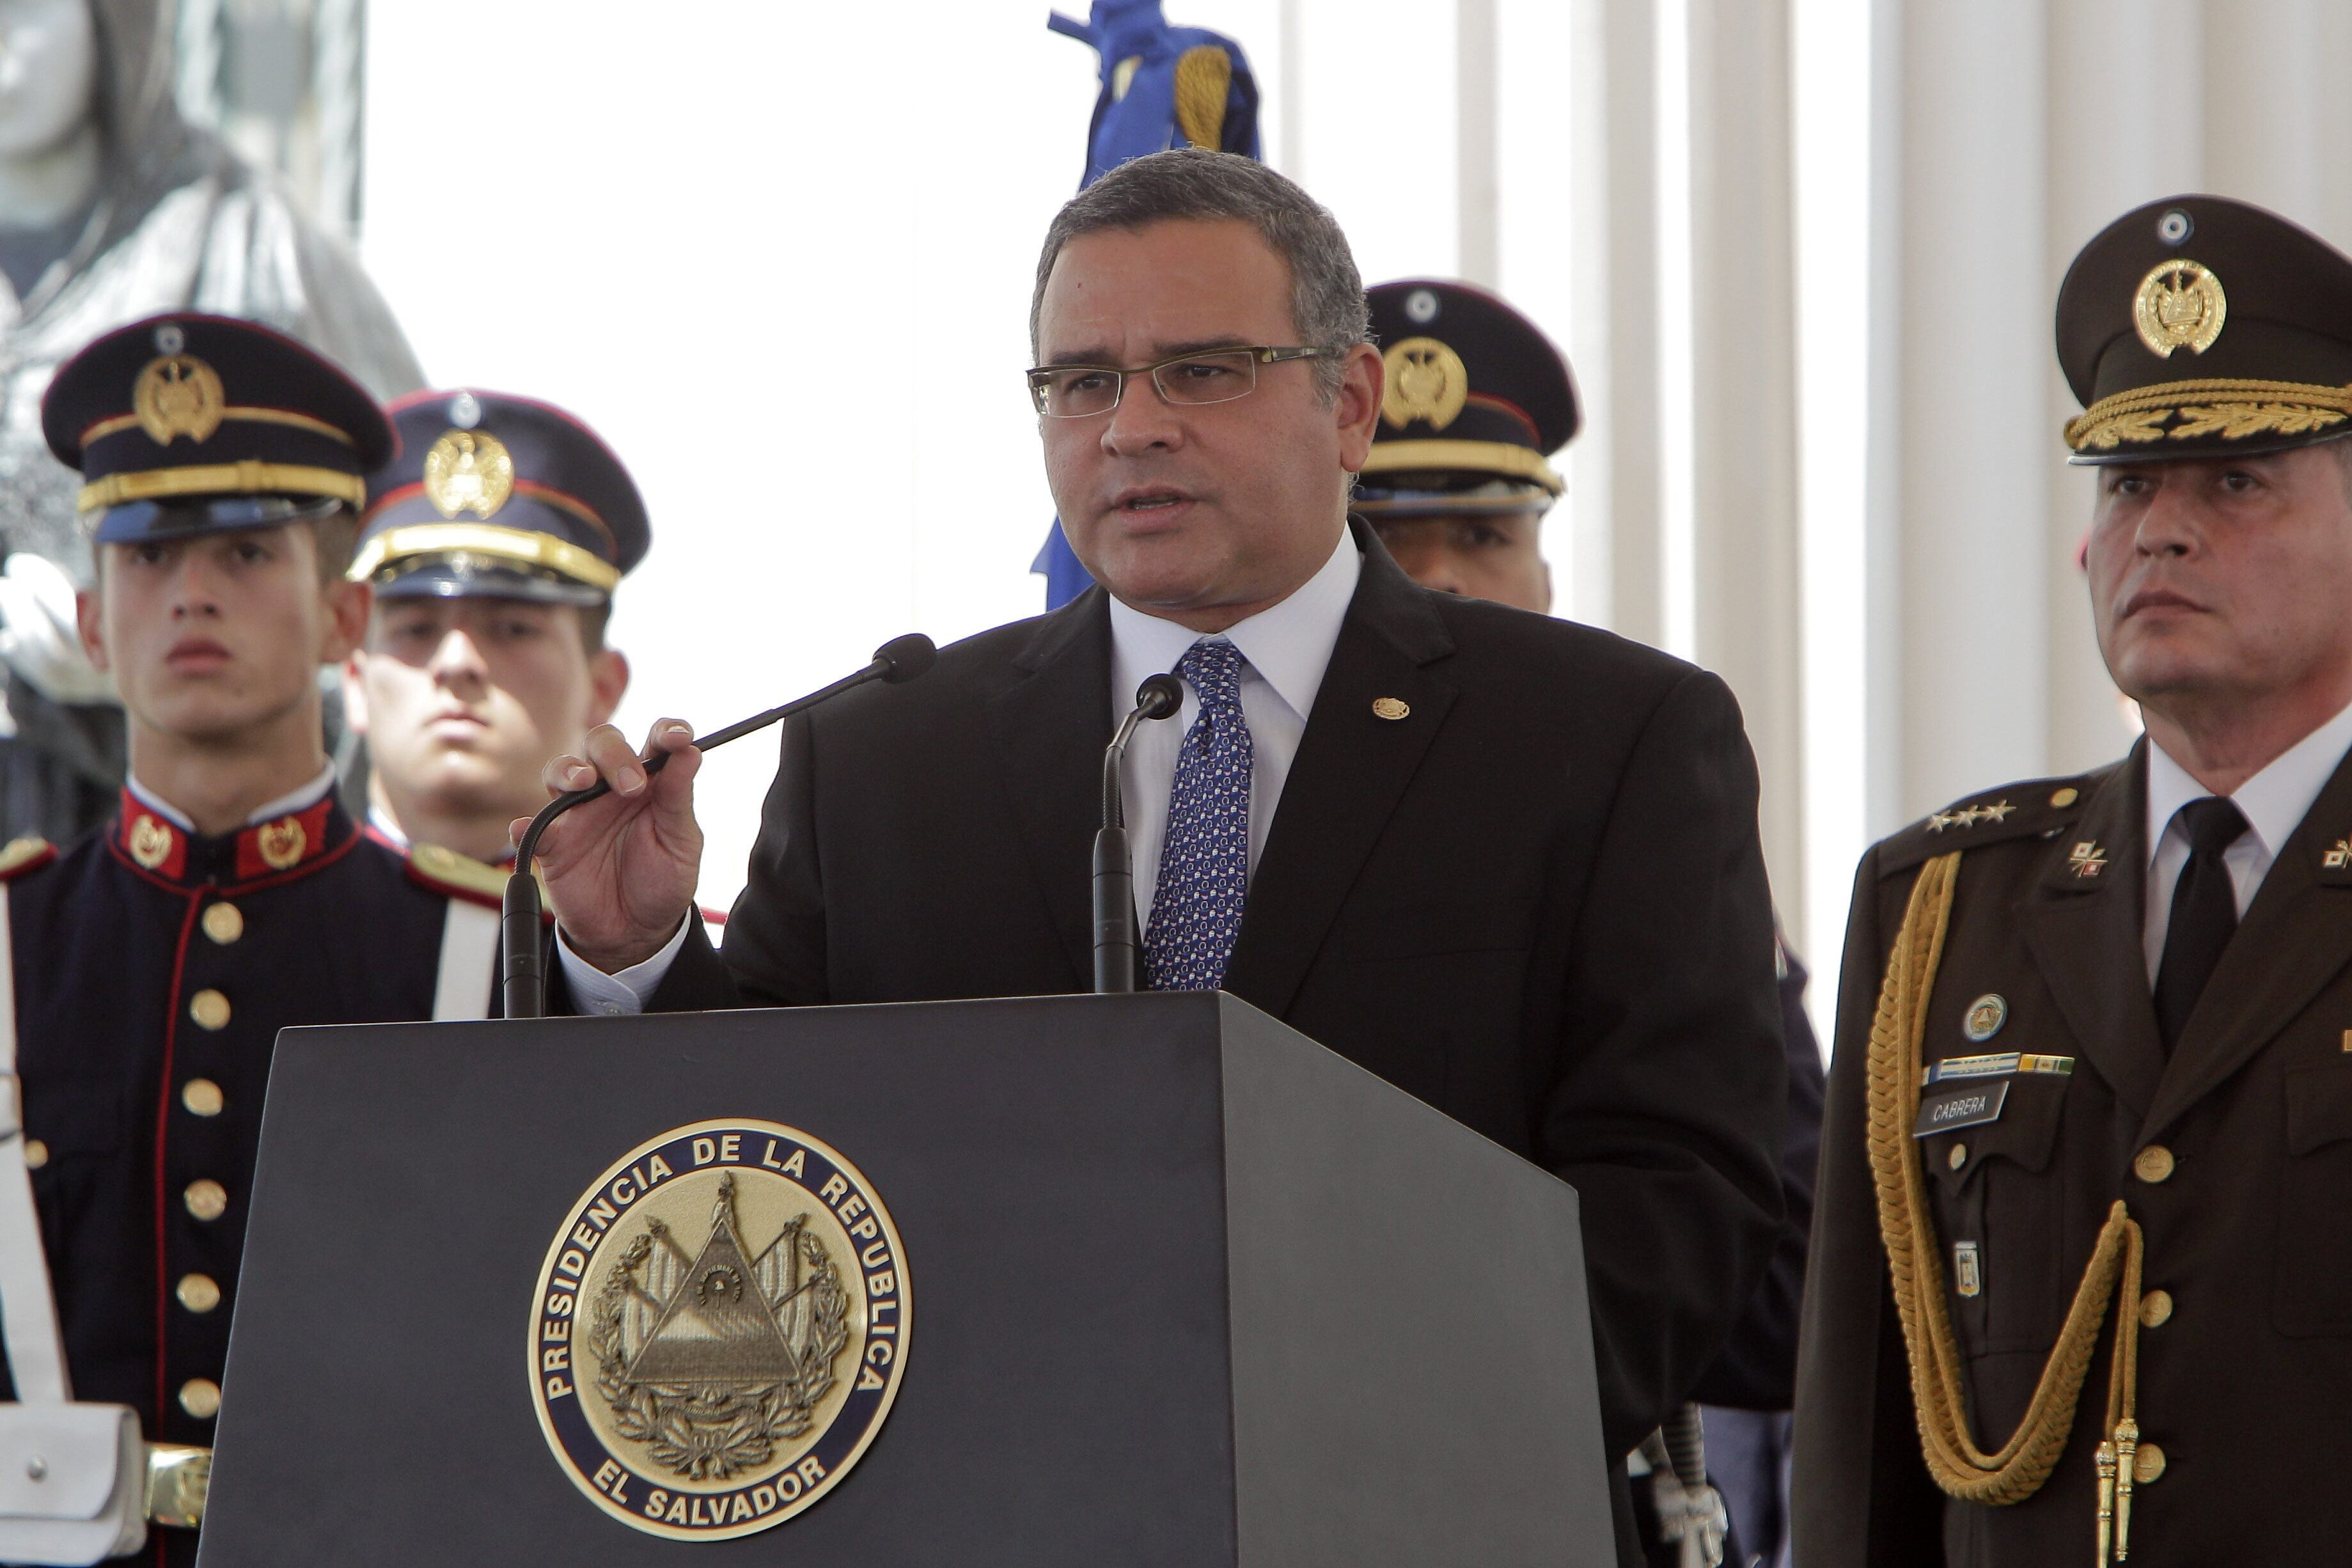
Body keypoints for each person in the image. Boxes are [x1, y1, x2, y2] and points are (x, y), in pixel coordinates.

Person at [533, 147, 1788, 1565]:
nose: (1130, 429)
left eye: (1201, 371)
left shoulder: (1604, 736)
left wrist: (1310, 1417)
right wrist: (635, 954)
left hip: (1426, 1516)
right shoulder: (886, 750)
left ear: (1349, 402)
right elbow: (760, 1162)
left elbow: (1684, 1198)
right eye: (1082, 382)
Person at [1794, 194, 2352, 1567]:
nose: (2161, 531)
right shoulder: (1940, 905)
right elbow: (1863, 1433)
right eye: (2127, 486)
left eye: (2234, 481)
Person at [0, 313, 498, 1564]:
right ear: (91, 621)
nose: (193, 592)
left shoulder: (475, 951)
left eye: (245, 549)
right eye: (148, 554)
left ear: (344, 614)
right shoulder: (11, 945)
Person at [1362, 276, 1823, 1568]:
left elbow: (1786, 1295)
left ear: (1547, 570)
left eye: (1486, 534)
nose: (1445, 578)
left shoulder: (1648, 844)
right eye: (1387, 540)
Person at [0, 0, 425, 847]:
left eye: (26, 9)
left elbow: (413, 569)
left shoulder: (251, 239)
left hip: (204, 824)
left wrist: (136, 656)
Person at [341, 389, 641, 867]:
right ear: (354, 683)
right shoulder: (258, 910)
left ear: (603, 687)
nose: (458, 662)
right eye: (417, 629)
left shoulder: (658, 919)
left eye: (513, 629)